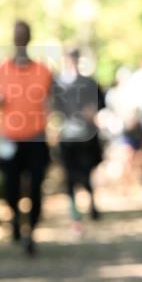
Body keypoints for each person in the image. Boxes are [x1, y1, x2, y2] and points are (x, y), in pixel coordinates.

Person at [0, 21, 53, 255]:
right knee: (10, 186)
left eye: (24, 35)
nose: (20, 39)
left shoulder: (44, 71)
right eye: (17, 35)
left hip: (36, 137)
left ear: (29, 38)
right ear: (13, 39)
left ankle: (30, 232)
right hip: (8, 138)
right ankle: (15, 217)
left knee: (35, 187)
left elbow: (56, 99)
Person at [54, 48, 105, 227]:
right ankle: (74, 209)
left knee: (86, 172)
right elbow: (53, 106)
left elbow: (100, 102)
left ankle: (91, 203)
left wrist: (93, 111)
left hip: (86, 136)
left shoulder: (89, 83)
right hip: (67, 136)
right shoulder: (58, 84)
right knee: (70, 173)